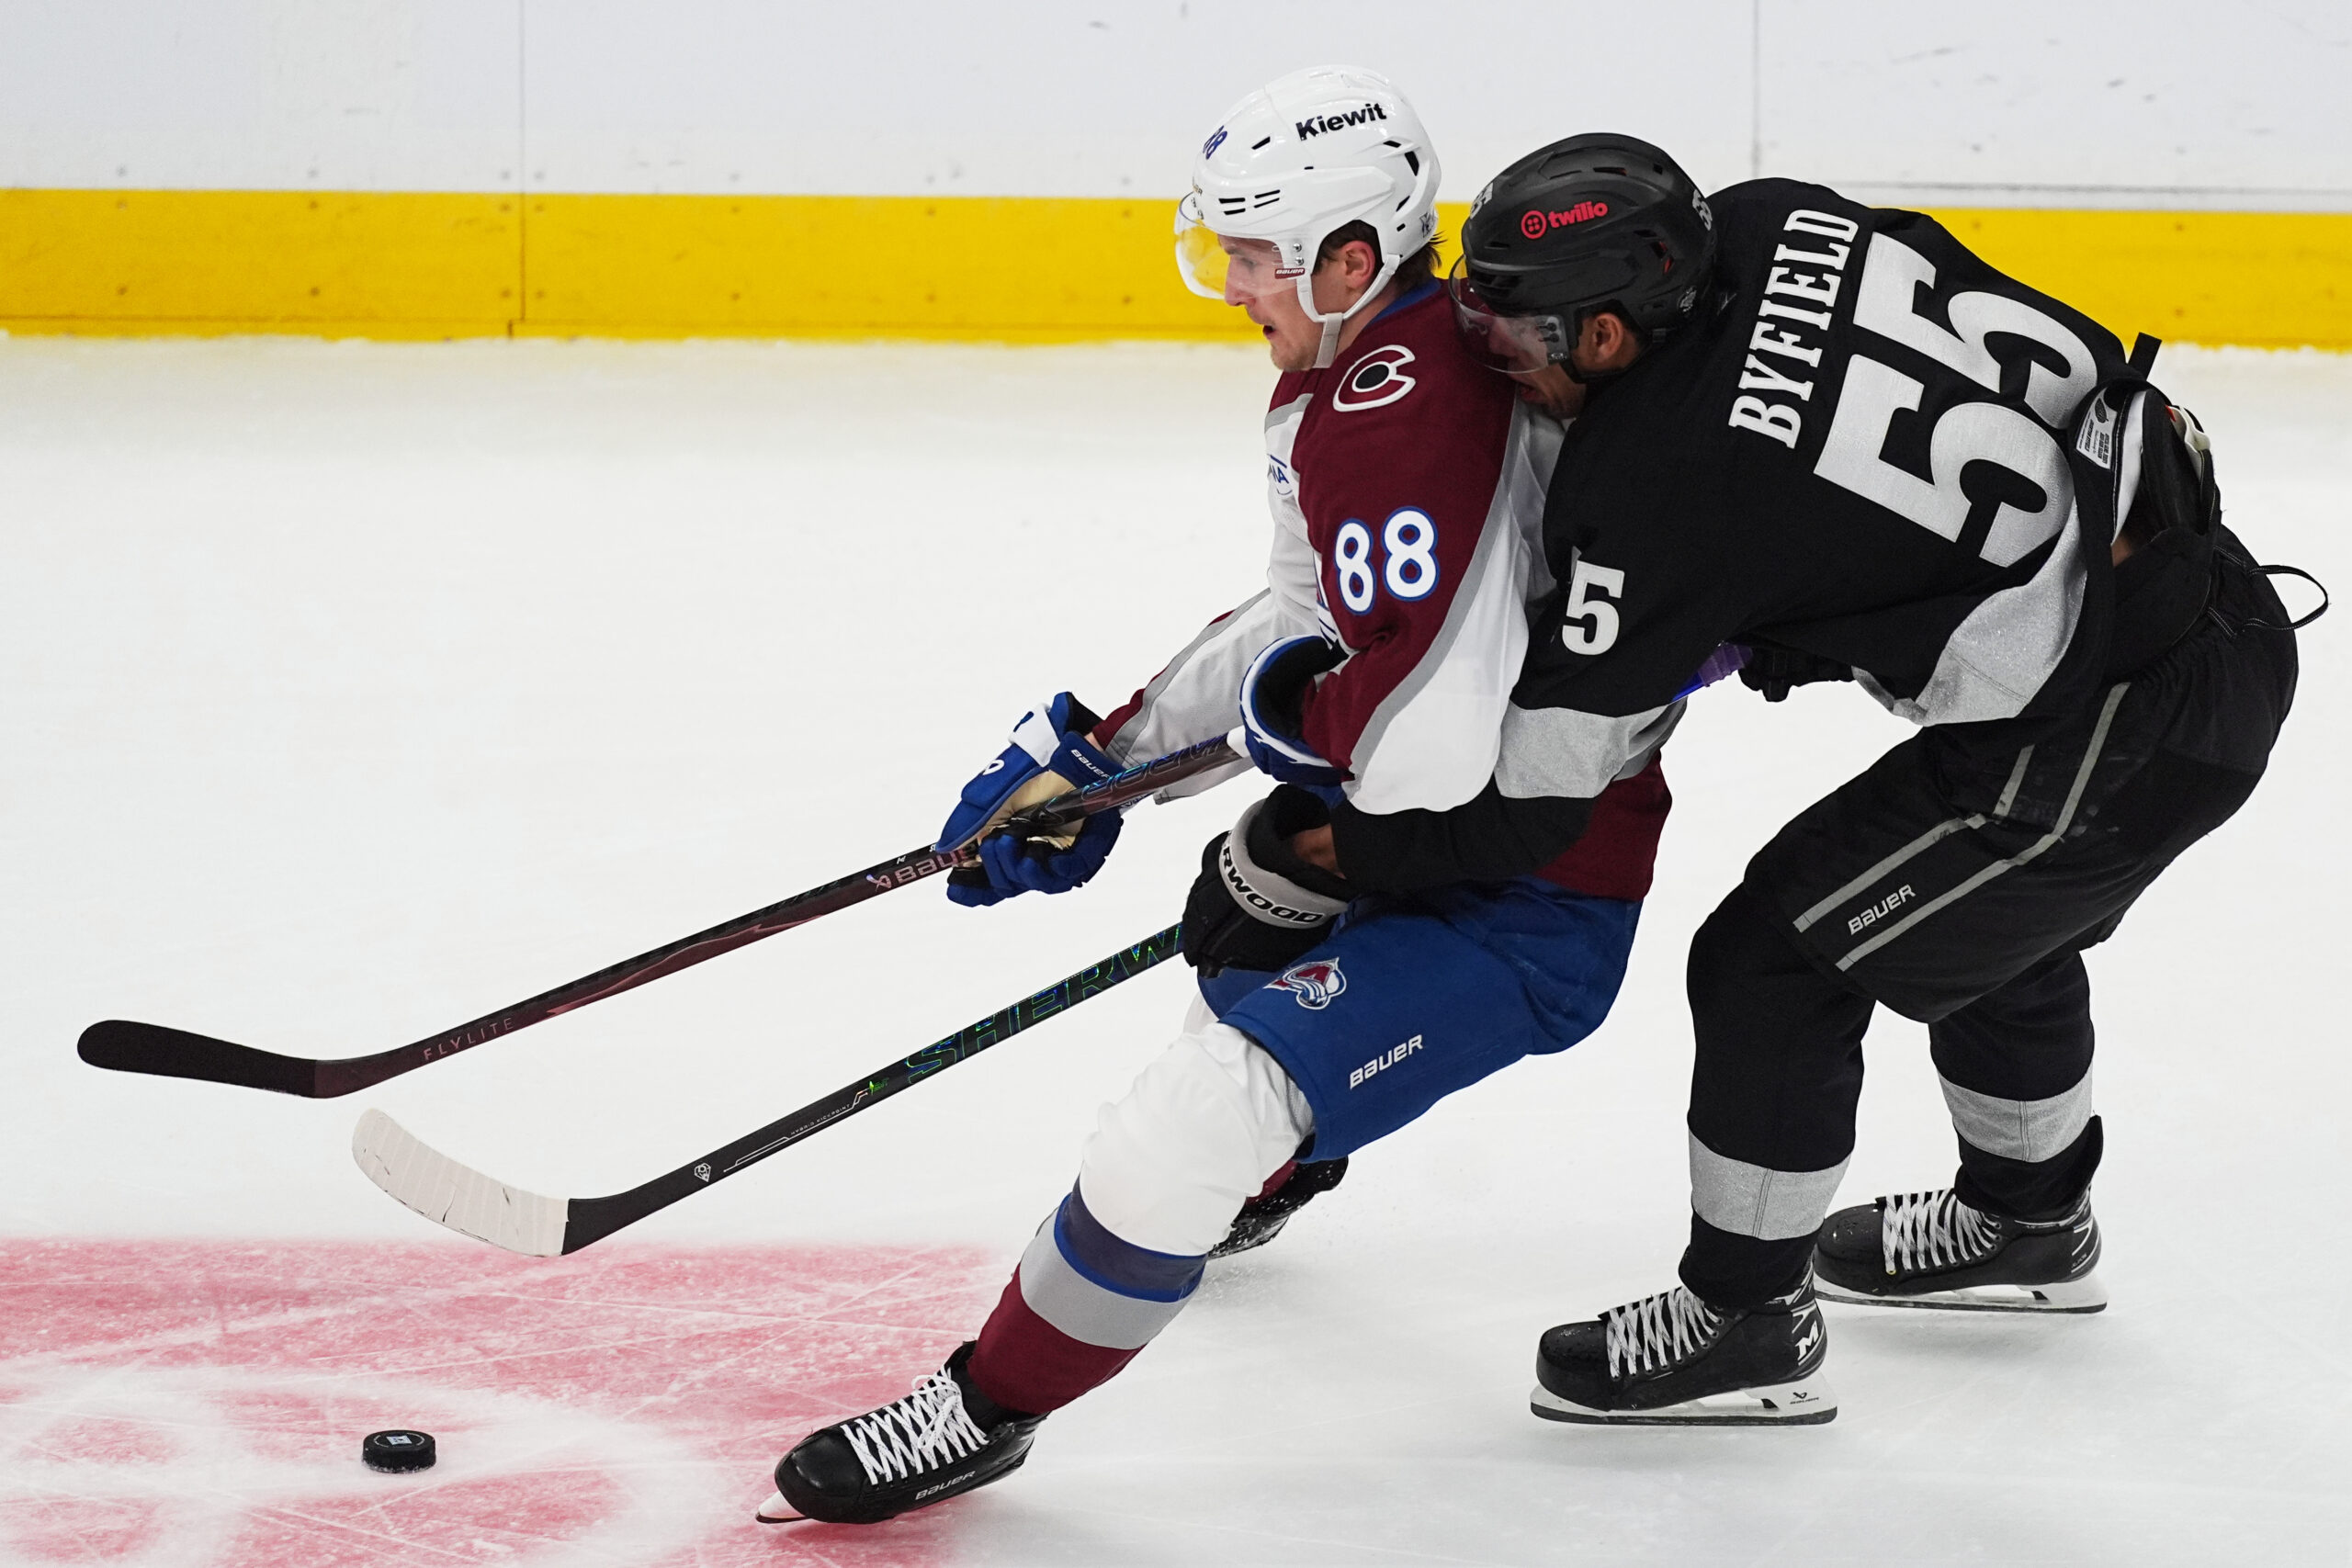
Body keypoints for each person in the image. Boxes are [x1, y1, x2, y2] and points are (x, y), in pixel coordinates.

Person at [755, 69, 1712, 1527]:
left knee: (1178, 1132)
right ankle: (1281, 1158)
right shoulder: (1372, 368)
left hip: (1535, 898)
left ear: (1349, 260)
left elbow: (1417, 741)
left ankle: (986, 1404)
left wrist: (1247, 741)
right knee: (1250, 895)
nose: (1233, 287)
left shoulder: (1392, 411)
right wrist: (1107, 754)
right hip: (1445, 824)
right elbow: (1306, 625)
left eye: (1257, 257)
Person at [1420, 133, 2312, 1424]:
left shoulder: (1649, 480)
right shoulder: (1773, 216)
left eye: (1518, 339)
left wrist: (1359, 840)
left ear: (1612, 335)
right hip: (2200, 608)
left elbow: (1553, 780)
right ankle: (2029, 1221)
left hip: (2115, 728)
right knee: (1982, 912)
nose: (1501, 365)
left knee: (1770, 963)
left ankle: (1745, 1319)